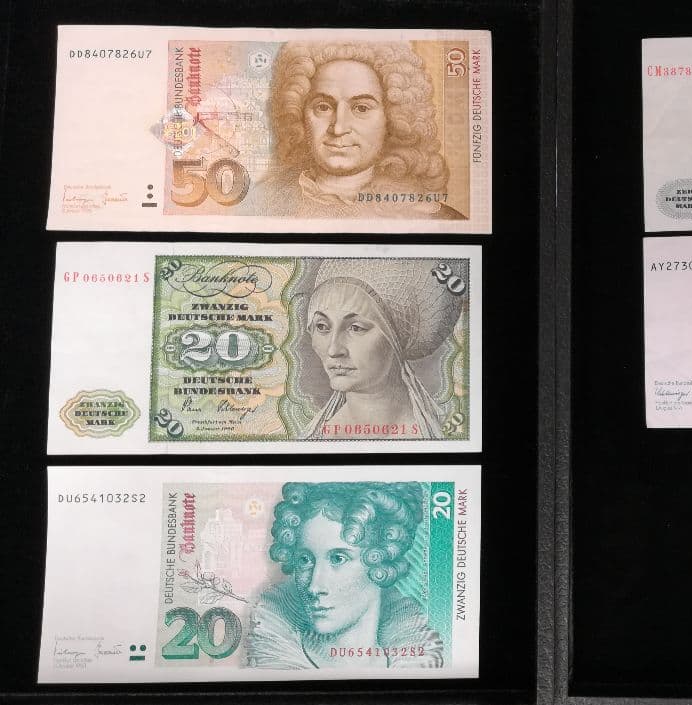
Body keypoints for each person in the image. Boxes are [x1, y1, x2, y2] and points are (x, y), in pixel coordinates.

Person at [249, 41, 464, 219]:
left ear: (392, 119)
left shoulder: (438, 218)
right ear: (299, 114)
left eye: (361, 108)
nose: (339, 128)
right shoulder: (257, 207)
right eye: (323, 107)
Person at [246, 482, 444, 669]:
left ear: (379, 564)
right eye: (305, 560)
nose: (314, 587)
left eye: (338, 558)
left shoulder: (417, 666)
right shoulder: (273, 664)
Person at [301, 258, 466, 439]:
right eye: (322, 326)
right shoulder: (318, 436)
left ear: (394, 339)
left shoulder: (429, 436)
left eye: (356, 328)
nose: (333, 350)